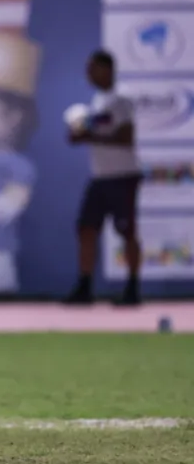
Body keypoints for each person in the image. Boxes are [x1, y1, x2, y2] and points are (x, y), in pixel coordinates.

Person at [63, 49, 141, 306]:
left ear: (107, 69)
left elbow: (126, 138)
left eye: (92, 68)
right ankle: (84, 287)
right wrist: (79, 133)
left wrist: (89, 137)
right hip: (100, 176)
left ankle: (132, 288)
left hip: (123, 175)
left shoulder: (122, 99)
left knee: (127, 231)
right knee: (85, 228)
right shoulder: (97, 101)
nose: (88, 74)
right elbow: (96, 130)